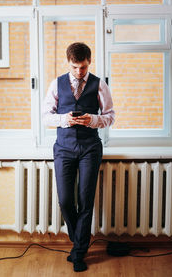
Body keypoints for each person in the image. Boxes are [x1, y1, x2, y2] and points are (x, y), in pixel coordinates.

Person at [42, 42, 115, 272]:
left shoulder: (99, 84)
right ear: (68, 63)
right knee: (65, 200)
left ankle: (79, 253)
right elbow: (45, 117)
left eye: (83, 67)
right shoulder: (57, 83)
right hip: (63, 149)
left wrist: (92, 120)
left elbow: (111, 116)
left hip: (90, 148)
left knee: (85, 200)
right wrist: (66, 119)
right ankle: (78, 240)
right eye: (75, 67)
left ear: (89, 62)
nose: (79, 72)